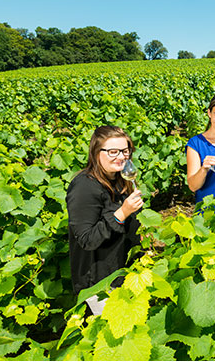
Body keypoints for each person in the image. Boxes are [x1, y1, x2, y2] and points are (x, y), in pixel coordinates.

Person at [66, 125, 144, 315]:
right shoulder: (83, 187)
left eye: (125, 151)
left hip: (122, 271)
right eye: (113, 151)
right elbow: (86, 239)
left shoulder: (119, 180)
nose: (121, 157)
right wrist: (122, 213)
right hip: (99, 283)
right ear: (96, 153)